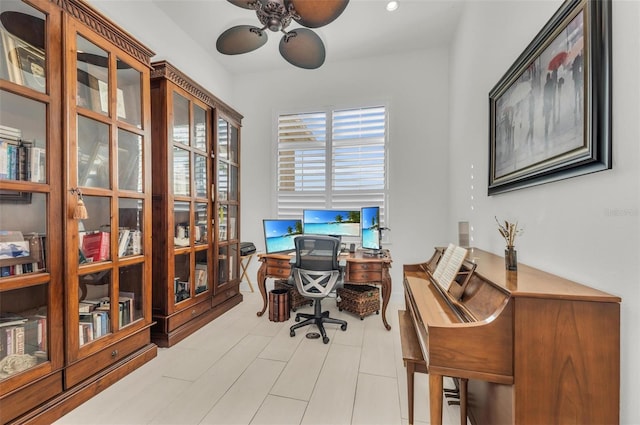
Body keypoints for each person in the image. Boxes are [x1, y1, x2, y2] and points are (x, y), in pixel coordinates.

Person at [543, 72, 555, 144]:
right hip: (549, 101)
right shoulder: (550, 83)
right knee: (549, 115)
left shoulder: (546, 85)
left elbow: (544, 95)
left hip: (547, 102)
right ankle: (548, 128)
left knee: (547, 117)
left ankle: (547, 129)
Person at [572, 52, 583, 123]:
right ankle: (579, 107)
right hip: (578, 79)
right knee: (579, 93)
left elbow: (574, 70)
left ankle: (577, 107)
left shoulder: (575, 61)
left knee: (577, 93)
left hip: (576, 79)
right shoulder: (579, 60)